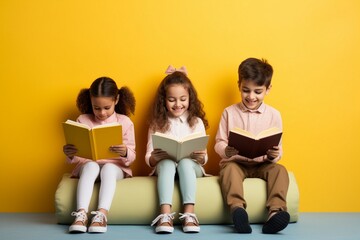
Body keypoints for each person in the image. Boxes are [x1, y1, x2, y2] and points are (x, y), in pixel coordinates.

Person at [214, 58, 290, 234]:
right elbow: (219, 142)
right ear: (239, 85)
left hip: (263, 163)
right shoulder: (229, 112)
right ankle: (237, 209)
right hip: (236, 162)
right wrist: (225, 150)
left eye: (258, 92)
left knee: (280, 170)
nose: (251, 97)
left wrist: (274, 155)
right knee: (230, 170)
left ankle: (275, 212)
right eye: (246, 90)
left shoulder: (274, 115)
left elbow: (278, 148)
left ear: (268, 89)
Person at [63, 77, 136, 233]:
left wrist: (124, 152)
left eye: (106, 108)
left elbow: (132, 155)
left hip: (115, 167)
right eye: (96, 108)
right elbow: (78, 156)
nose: (102, 113)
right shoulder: (83, 120)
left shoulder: (125, 122)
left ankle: (101, 215)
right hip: (89, 165)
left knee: (108, 168)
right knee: (90, 165)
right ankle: (81, 214)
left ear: (116, 100)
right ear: (90, 102)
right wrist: (71, 154)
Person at [145, 65, 209, 234]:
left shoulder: (196, 122)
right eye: (172, 100)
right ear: (163, 100)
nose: (178, 104)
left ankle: (189, 214)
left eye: (183, 99)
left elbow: (204, 158)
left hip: (191, 167)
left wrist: (201, 157)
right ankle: (165, 215)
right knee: (167, 163)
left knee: (186, 163)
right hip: (166, 166)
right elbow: (148, 159)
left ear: (190, 98)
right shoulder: (156, 123)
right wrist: (154, 157)